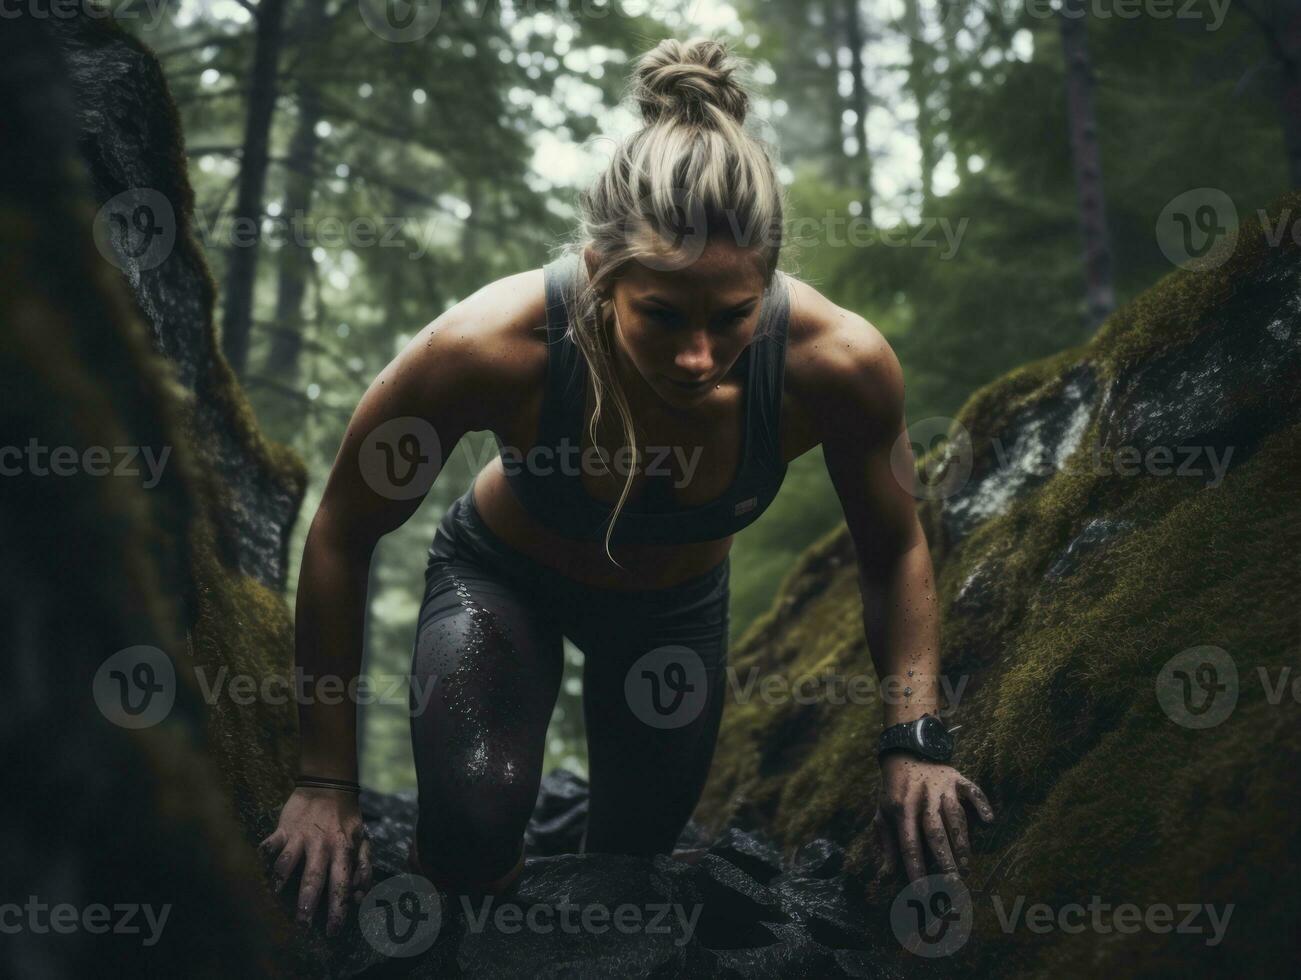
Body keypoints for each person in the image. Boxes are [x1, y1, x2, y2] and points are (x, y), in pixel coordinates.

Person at [259, 36, 994, 938]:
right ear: (603, 273)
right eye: (662, 315)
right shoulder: (486, 348)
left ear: (768, 279)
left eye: (732, 319)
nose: (698, 357)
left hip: (673, 614)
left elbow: (894, 548)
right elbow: (341, 530)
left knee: (629, 872)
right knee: (472, 825)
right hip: (503, 579)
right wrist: (323, 785)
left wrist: (911, 740)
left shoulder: (835, 366)